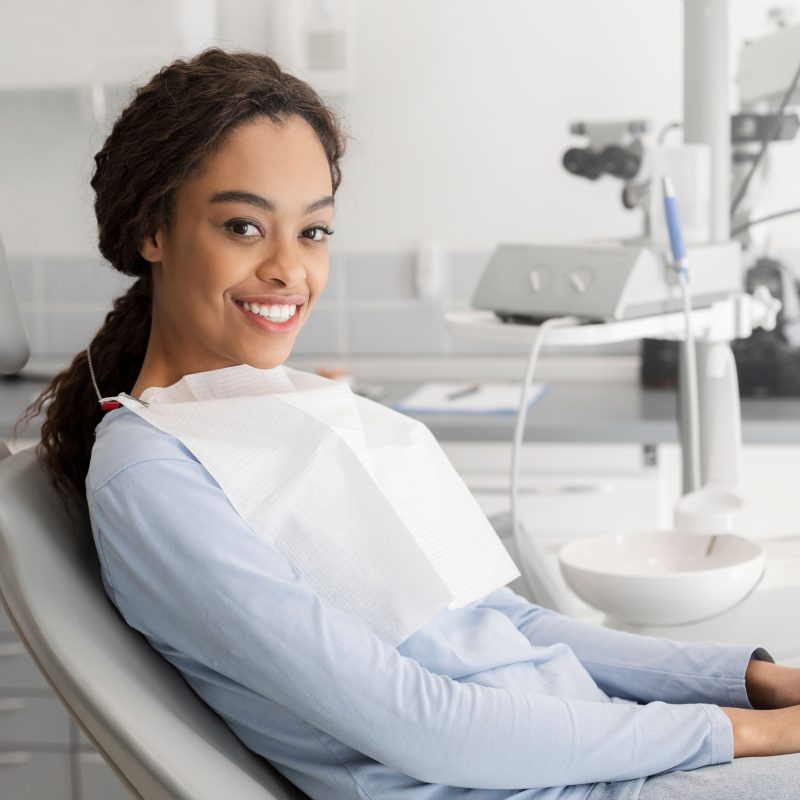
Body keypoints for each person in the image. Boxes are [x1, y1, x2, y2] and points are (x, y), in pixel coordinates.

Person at [15, 48, 800, 800]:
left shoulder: (276, 409)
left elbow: (501, 620)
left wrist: (744, 679)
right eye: (244, 227)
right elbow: (422, 725)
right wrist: (731, 731)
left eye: (314, 230)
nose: (290, 268)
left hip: (611, 751)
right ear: (153, 230)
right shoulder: (153, 476)